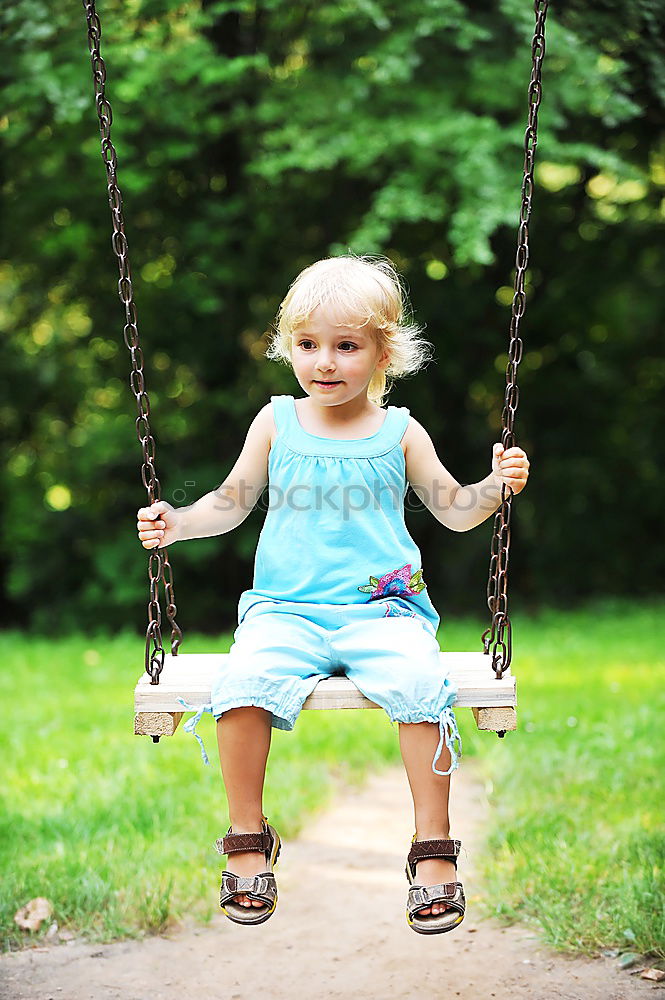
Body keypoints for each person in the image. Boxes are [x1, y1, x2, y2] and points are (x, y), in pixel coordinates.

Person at [135, 254, 530, 934]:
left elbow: (456, 510)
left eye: (346, 346)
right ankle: (248, 839)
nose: (324, 362)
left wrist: (498, 488)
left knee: (419, 684)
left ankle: (432, 851)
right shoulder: (275, 422)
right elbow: (230, 505)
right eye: (308, 344)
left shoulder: (399, 433)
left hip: (385, 612)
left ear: (383, 352)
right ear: (289, 346)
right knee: (242, 683)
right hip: (284, 610)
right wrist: (176, 524)